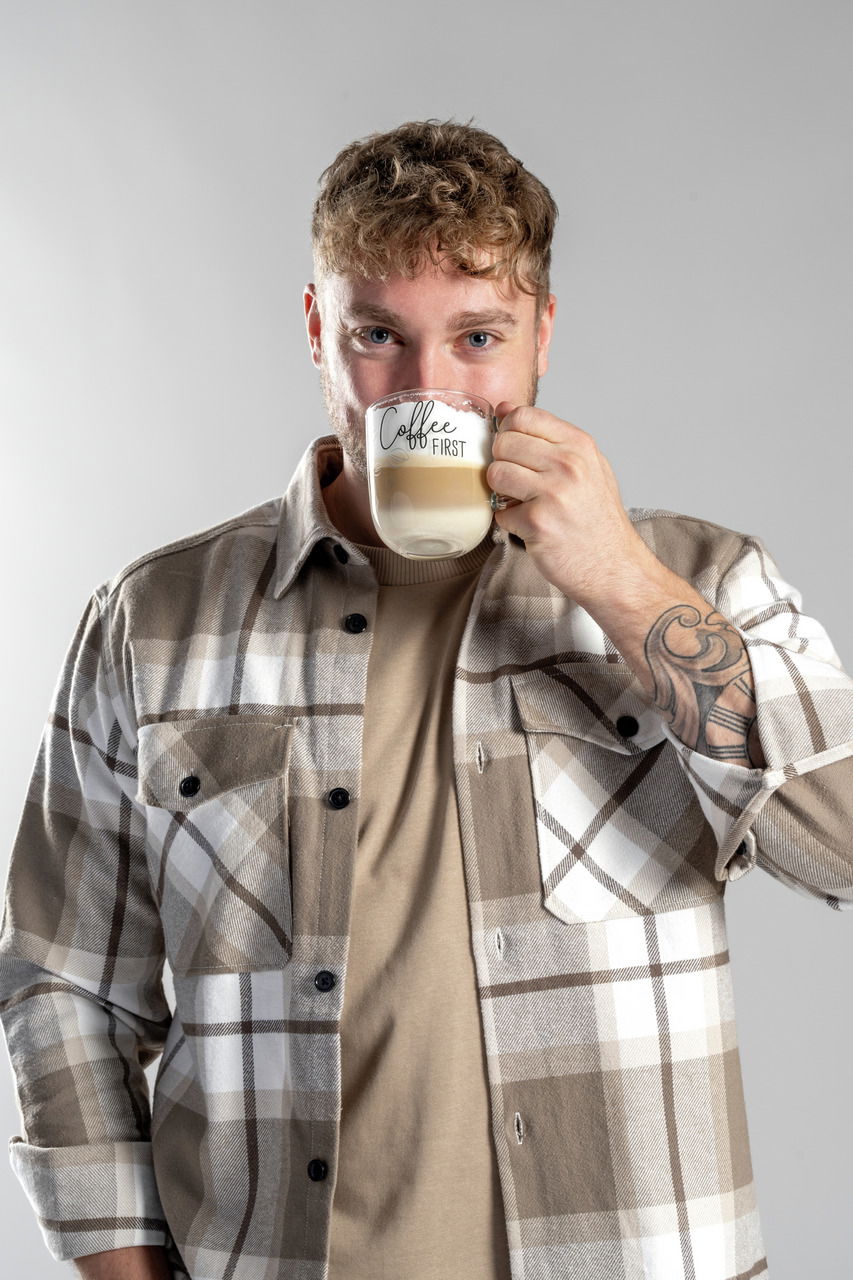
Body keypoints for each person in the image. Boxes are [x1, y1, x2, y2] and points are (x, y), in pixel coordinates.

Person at [1, 119, 852, 1280]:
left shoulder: (699, 582)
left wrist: (618, 580)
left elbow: (842, 839)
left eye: (478, 337)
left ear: (542, 335)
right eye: (377, 337)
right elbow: (61, 983)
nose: (428, 389)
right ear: (317, 330)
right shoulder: (152, 620)